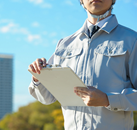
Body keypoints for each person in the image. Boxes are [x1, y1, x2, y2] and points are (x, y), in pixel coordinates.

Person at [28, 0, 137, 129]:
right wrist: (38, 77)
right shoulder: (64, 44)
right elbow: (47, 98)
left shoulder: (132, 40)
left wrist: (107, 100)